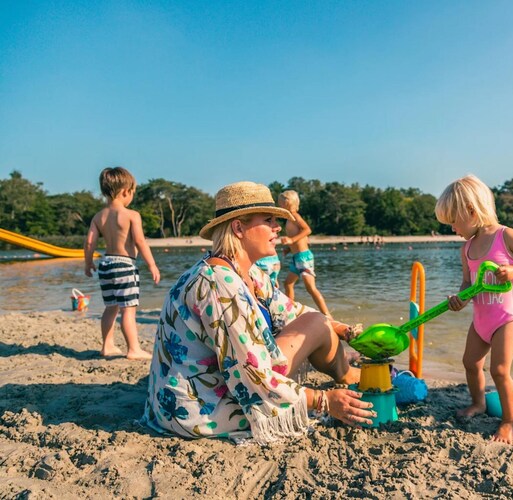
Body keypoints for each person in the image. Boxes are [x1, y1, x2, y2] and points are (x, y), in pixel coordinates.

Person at [141, 181, 374, 444]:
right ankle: (353, 377)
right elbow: (251, 373)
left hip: (184, 396)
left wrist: (345, 331)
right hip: (198, 411)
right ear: (238, 228)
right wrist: (322, 400)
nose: (278, 227)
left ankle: (350, 374)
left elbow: (291, 311)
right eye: (268, 220)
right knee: (316, 324)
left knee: (317, 321)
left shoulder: (244, 271)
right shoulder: (219, 283)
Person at [435, 174, 513, 444]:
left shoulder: (506, 236)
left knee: (499, 370)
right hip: (481, 319)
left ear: (471, 211)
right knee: (470, 363)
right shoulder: (467, 248)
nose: (453, 228)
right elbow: (467, 283)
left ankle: (510, 422)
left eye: (454, 221)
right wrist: (460, 299)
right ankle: (478, 403)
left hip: (506, 318)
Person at [84, 166, 160, 360]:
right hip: (125, 265)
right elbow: (140, 241)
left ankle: (107, 345)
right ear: (126, 191)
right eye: (132, 192)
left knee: (111, 307)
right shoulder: (132, 215)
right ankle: (133, 349)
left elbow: (90, 242)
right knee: (128, 309)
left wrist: (88, 263)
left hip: (106, 264)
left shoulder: (98, 216)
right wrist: (152, 265)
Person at [277, 190, 331, 317]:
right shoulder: (289, 219)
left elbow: (307, 230)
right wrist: (289, 248)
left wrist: (291, 240)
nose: (279, 207)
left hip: (304, 258)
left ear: (287, 204)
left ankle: (327, 314)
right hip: (296, 258)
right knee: (288, 283)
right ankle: (290, 311)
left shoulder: (295, 216)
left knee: (310, 288)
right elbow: (299, 237)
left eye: (280, 204)